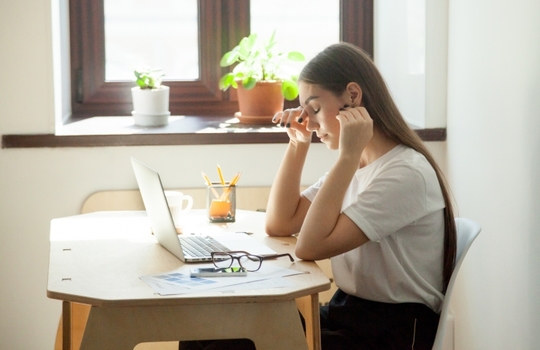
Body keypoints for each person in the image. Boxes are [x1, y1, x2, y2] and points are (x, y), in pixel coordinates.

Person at [180, 42, 456, 350]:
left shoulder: (404, 173)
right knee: (204, 329)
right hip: (346, 313)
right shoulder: (360, 163)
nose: (309, 121)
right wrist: (299, 144)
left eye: (314, 108)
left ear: (353, 96)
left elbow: (310, 246)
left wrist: (348, 156)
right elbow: (280, 223)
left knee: (228, 344)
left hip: (389, 332)